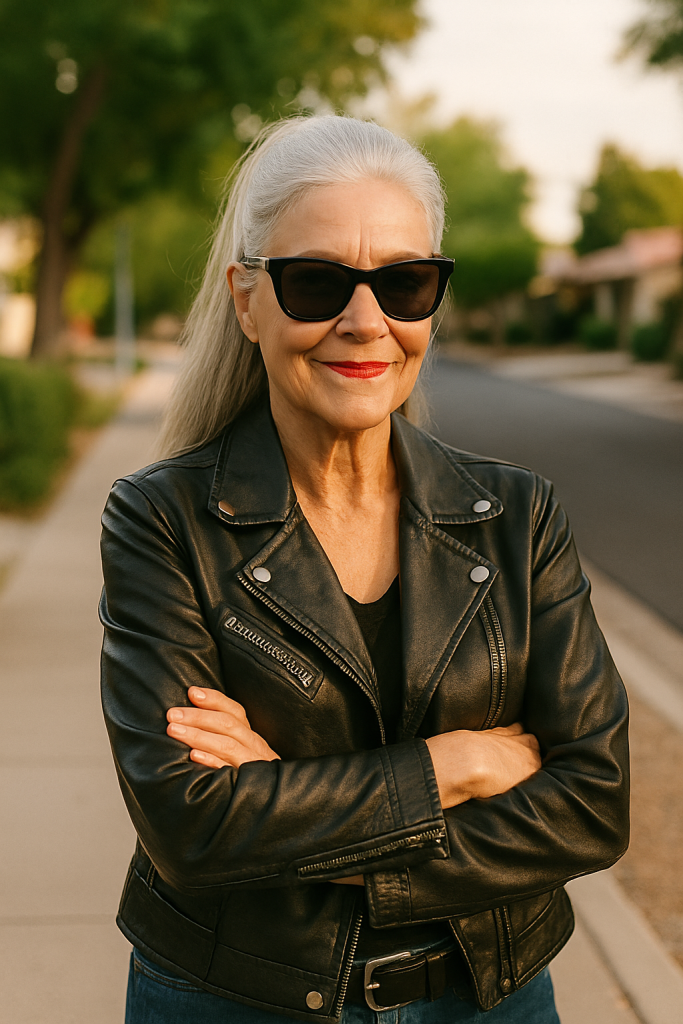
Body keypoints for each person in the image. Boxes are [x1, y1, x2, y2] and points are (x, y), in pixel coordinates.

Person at [100, 115, 629, 1024]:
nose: (364, 321)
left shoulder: (517, 515)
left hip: (490, 999)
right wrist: (452, 765)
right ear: (246, 299)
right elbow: (193, 825)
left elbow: (589, 804)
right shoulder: (161, 521)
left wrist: (290, 810)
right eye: (315, 283)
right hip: (236, 999)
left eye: (404, 282)